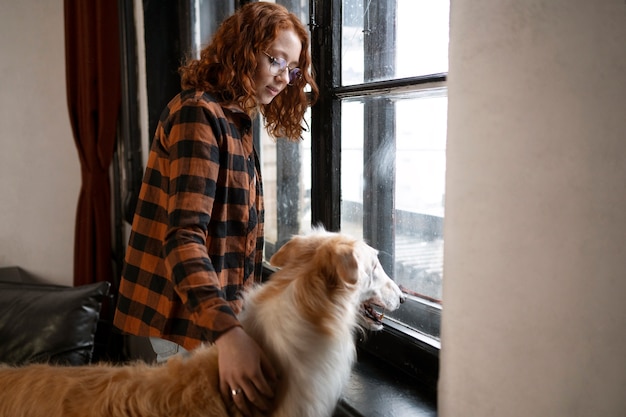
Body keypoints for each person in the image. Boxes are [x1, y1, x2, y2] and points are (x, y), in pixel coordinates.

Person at [113, 2, 319, 416]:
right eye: (275, 59)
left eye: (293, 68)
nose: (284, 76)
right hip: (184, 322)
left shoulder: (237, 124)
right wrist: (230, 335)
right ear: (242, 50)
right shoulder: (199, 115)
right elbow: (184, 238)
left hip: (209, 320)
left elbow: (232, 240)